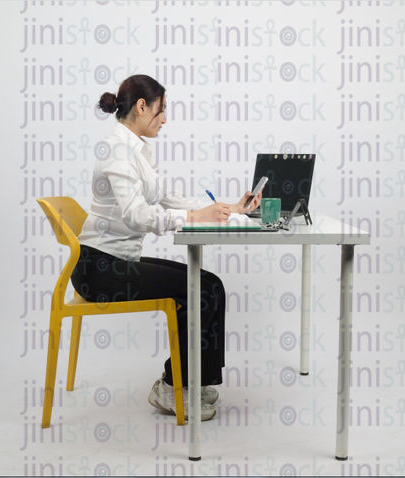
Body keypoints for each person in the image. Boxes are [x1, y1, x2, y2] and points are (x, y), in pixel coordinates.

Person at [71, 74, 262, 421]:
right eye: (161, 111)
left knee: (211, 285)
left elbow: (167, 198)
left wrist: (228, 208)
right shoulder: (117, 152)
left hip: (117, 262)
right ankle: (173, 386)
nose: (165, 120)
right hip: (99, 271)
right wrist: (192, 216)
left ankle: (193, 380)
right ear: (142, 107)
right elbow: (136, 216)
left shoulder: (138, 150)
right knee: (198, 290)